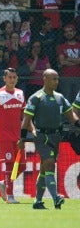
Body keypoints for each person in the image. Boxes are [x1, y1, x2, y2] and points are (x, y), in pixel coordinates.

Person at [22, 69, 80, 209]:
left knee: (44, 169)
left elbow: (72, 117)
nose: (56, 82)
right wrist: (22, 138)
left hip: (56, 136)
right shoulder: (36, 97)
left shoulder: (60, 98)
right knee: (49, 164)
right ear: (45, 79)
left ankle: (37, 201)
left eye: (57, 79)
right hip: (41, 136)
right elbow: (26, 120)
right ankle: (56, 198)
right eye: (53, 79)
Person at [0, 68, 26, 204]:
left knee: (22, 166)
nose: (12, 79)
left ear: (17, 79)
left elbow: (24, 116)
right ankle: (10, 196)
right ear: (4, 78)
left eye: (14, 77)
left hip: (18, 137)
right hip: (4, 137)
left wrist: (30, 130)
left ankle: (4, 183)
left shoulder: (20, 93)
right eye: (9, 77)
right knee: (9, 166)